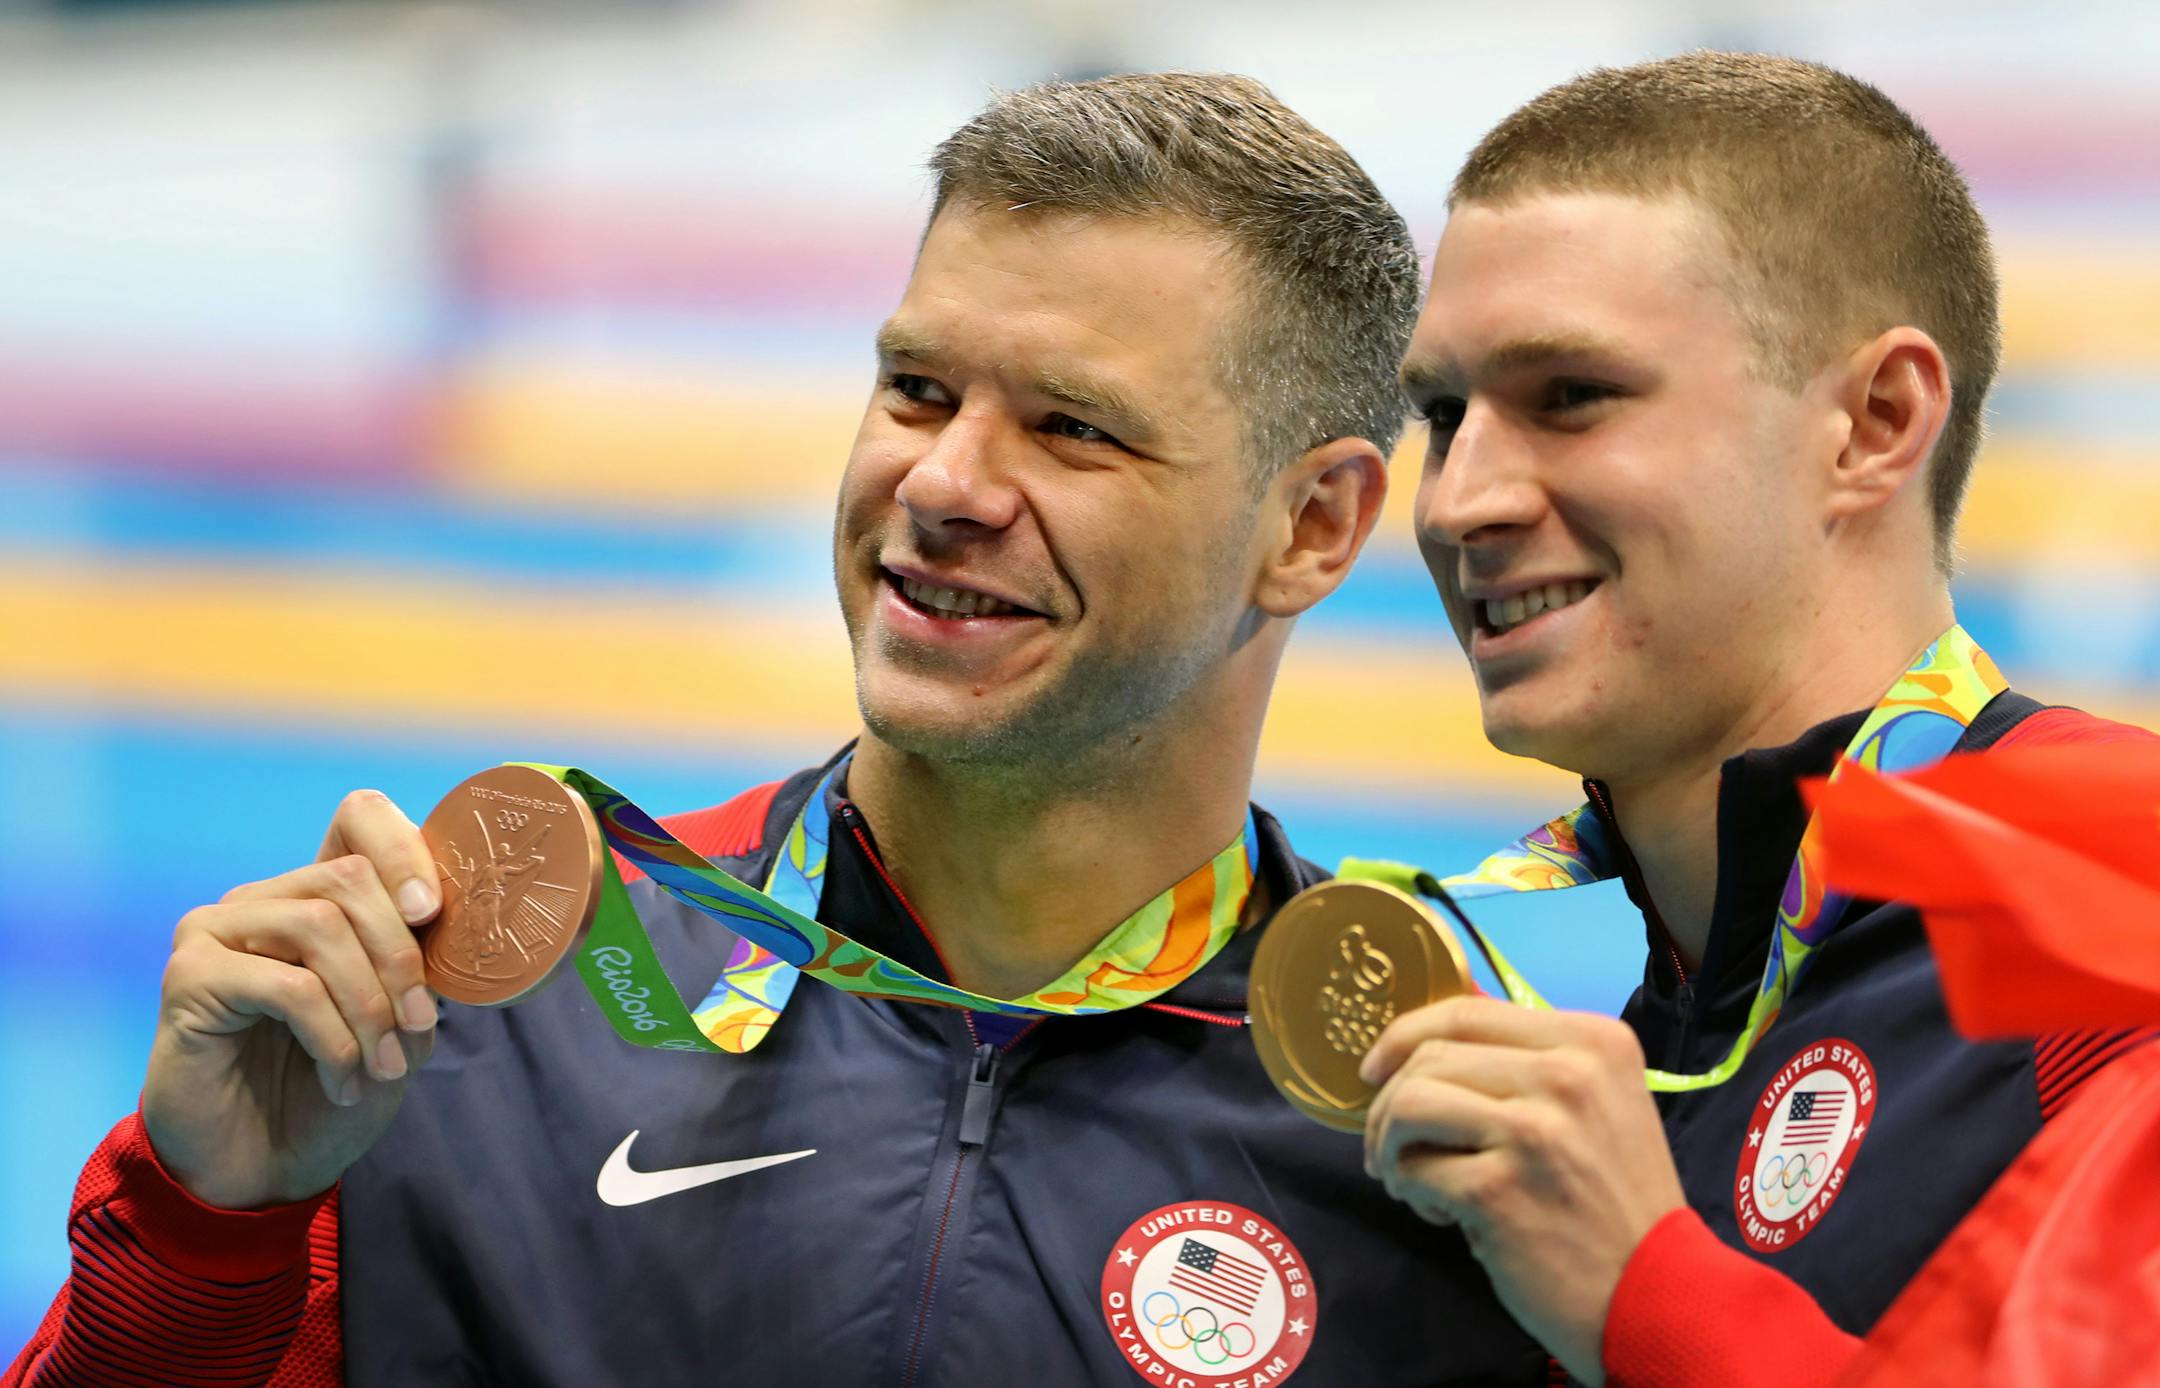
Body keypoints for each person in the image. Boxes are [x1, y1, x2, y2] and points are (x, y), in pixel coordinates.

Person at [5, 74, 1554, 1387]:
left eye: (1072, 426)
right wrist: (207, 1220)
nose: (944, 483)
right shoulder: (473, 1008)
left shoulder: (1445, 1153)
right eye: (918, 387)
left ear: (1316, 526)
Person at [1358, 52, 2158, 1388]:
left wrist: (1651, 1296)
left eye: (1572, 397)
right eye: (1446, 415)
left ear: (1874, 423)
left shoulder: (2123, 888)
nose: (1457, 503)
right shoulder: (1650, 1030)